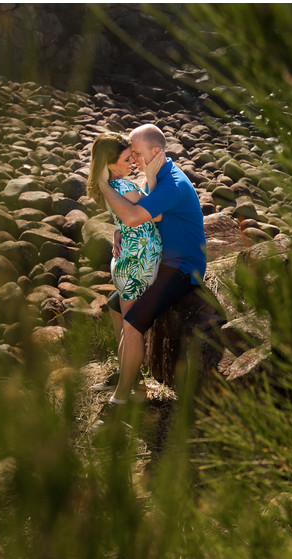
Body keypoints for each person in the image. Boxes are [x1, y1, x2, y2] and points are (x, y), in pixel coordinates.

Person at [95, 123, 207, 409]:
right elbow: (135, 217)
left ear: (156, 152)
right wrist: (120, 231)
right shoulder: (158, 176)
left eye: (136, 153)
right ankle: (126, 372)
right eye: (129, 154)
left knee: (133, 325)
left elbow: (133, 215)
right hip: (160, 260)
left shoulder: (174, 184)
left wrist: (103, 185)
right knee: (114, 306)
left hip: (182, 268)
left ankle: (119, 401)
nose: (133, 158)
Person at [85, 132, 163, 406]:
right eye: (127, 157)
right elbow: (157, 213)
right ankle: (123, 395)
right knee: (132, 331)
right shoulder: (124, 186)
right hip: (137, 262)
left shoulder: (110, 186)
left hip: (126, 260)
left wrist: (119, 231)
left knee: (121, 316)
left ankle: (131, 381)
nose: (132, 160)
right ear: (110, 162)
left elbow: (126, 218)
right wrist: (151, 177)